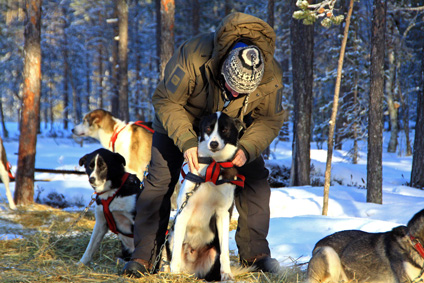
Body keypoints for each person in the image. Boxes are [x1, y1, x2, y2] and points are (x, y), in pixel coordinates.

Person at [123, 11, 285, 277]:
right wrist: (187, 141)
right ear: (224, 67)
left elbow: (269, 119)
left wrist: (246, 149)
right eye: (231, 87)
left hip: (229, 132)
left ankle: (256, 255)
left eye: (241, 93)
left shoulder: (270, 75)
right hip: (179, 120)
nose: (234, 95)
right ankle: (143, 257)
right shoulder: (194, 55)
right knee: (160, 180)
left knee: (256, 181)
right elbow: (166, 100)